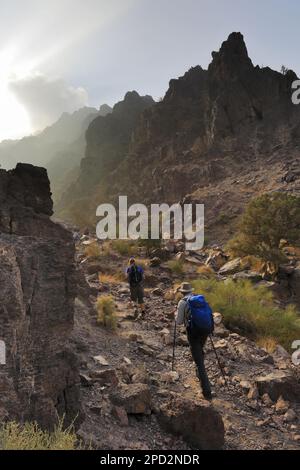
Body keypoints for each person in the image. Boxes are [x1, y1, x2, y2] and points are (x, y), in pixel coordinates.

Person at [175, 282, 214, 400]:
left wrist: (175, 315)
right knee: (199, 350)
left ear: (182, 292)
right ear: (191, 291)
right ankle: (199, 371)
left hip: (193, 333)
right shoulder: (200, 299)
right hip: (205, 331)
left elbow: (179, 322)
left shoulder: (182, 302)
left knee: (198, 362)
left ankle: (207, 392)